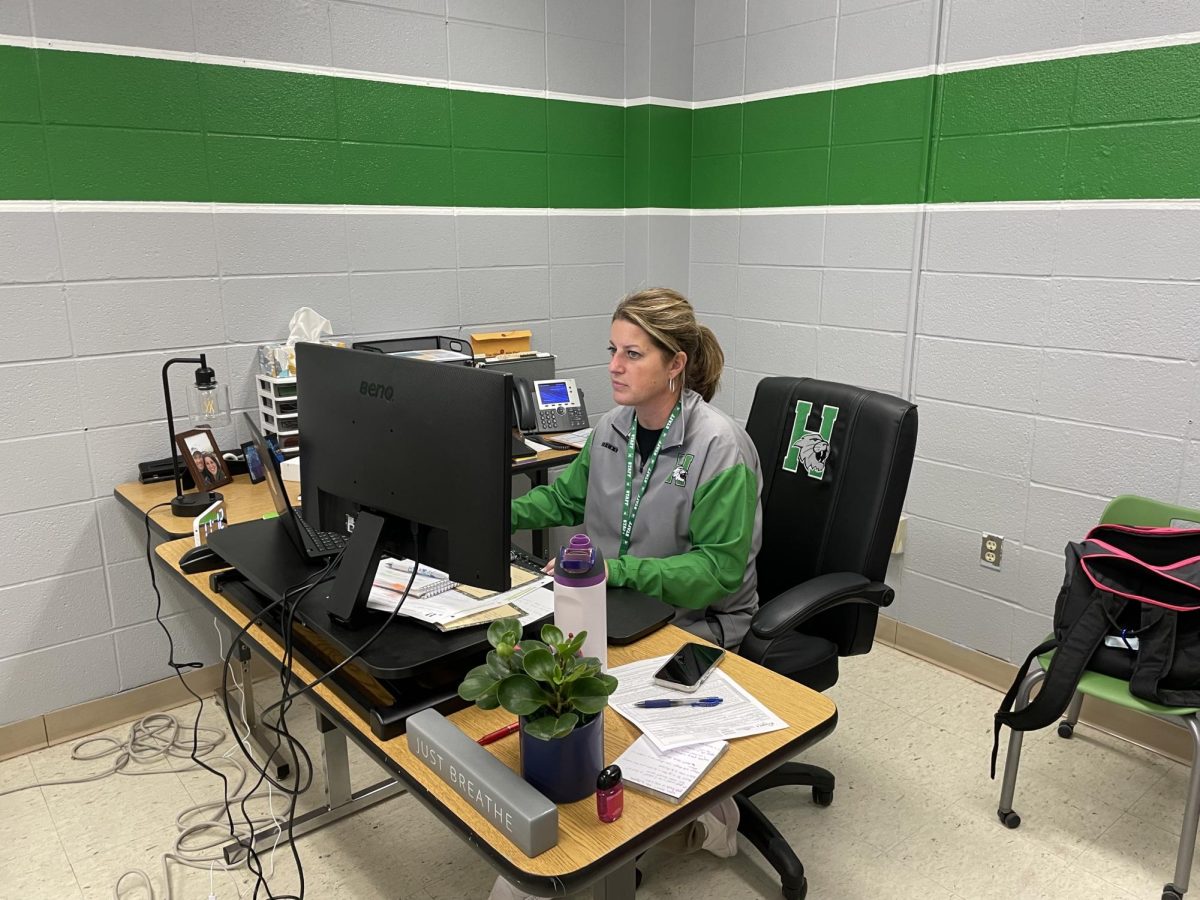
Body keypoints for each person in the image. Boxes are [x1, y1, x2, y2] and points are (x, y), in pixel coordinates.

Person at [488, 289, 763, 900]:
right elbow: (564, 501)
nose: (613, 365)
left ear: (675, 365)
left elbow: (719, 571)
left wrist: (619, 570)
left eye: (632, 353)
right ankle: (567, 835)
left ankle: (709, 816)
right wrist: (490, 514)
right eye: (612, 350)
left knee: (613, 713)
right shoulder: (612, 427)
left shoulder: (720, 447)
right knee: (547, 687)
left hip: (701, 621)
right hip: (613, 604)